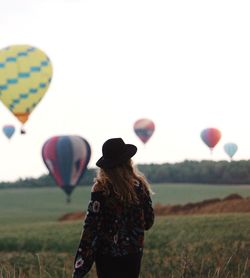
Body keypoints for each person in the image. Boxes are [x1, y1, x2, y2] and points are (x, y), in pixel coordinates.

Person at [72, 137, 154, 278]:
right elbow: (148, 221)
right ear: (128, 161)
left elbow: (90, 229)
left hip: (107, 257)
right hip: (133, 254)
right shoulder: (140, 186)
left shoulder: (101, 189)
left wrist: (79, 269)